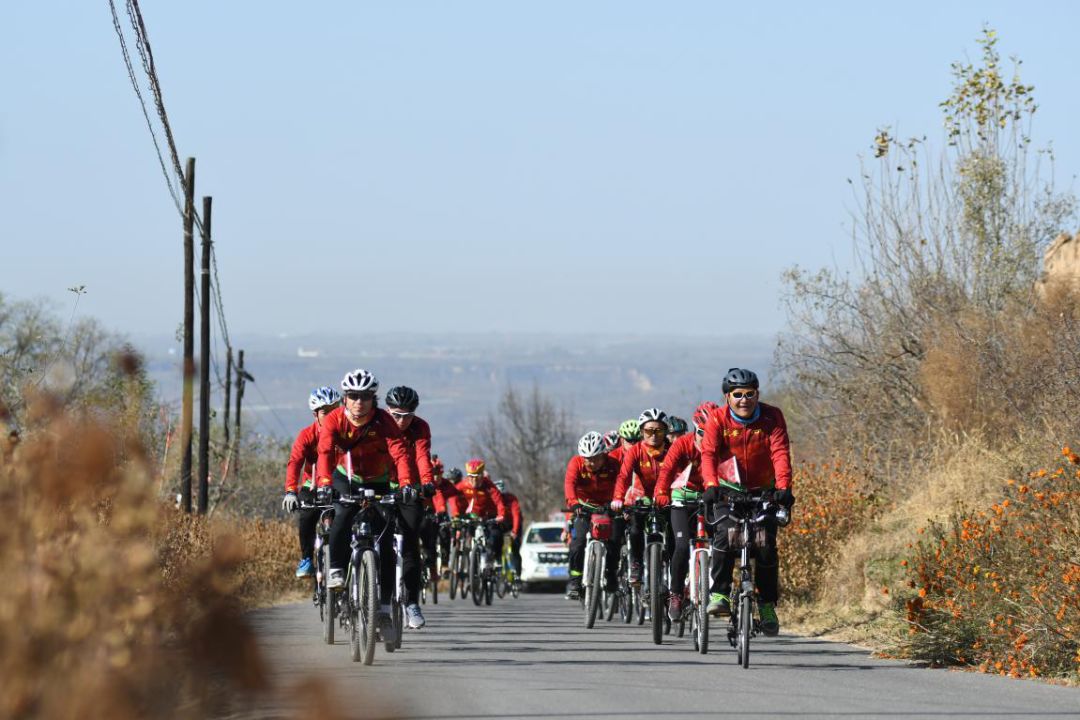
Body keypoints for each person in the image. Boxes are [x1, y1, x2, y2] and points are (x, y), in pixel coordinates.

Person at [317, 369, 415, 642]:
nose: (359, 402)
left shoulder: (384, 421)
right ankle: (337, 568)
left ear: (374, 399)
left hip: (380, 479)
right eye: (353, 396)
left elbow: (399, 450)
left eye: (366, 397)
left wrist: (406, 483)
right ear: (345, 399)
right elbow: (325, 452)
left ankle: (383, 608)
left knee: (384, 541)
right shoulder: (334, 419)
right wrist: (324, 483)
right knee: (343, 514)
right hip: (344, 478)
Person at [699, 368, 794, 636]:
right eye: (737, 394)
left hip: (763, 491)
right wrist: (710, 485)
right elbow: (708, 454)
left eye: (749, 394)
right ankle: (719, 595)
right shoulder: (717, 419)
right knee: (725, 538)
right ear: (727, 396)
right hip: (727, 490)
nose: (744, 400)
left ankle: (766, 604)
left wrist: (783, 487)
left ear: (757, 394)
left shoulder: (771, 416)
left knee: (765, 545)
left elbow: (780, 452)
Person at [654, 401, 719, 620]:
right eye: (702, 433)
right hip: (683, 499)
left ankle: (720, 592)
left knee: (722, 544)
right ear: (695, 429)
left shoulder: (723, 446)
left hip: (710, 499)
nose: (707, 438)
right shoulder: (682, 444)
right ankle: (675, 595)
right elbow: (666, 472)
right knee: (681, 545)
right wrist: (661, 492)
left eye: (712, 433)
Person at [384, 385, 439, 629]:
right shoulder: (378, 424)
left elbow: (421, 456)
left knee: (409, 544)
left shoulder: (421, 427)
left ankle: (412, 603)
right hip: (381, 484)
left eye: (407, 416)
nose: (401, 421)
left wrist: (427, 482)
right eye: (396, 415)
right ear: (387, 411)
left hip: (411, 488)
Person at [282, 386, 341, 578]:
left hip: (339, 484)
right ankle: (307, 558)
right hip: (312, 485)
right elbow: (295, 463)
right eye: (326, 412)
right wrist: (291, 491)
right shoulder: (307, 435)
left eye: (335, 409)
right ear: (315, 414)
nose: (331, 414)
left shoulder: (345, 433)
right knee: (307, 517)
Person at [611, 408, 670, 584]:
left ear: (665, 431)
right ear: (642, 432)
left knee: (674, 532)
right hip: (642, 497)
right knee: (635, 527)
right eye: (648, 430)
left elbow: (682, 474)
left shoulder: (672, 450)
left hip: (667, 497)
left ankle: (674, 566)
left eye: (658, 430)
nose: (653, 434)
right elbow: (624, 476)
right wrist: (618, 499)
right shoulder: (635, 451)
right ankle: (636, 563)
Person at [563, 431, 621, 599]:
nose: (590, 462)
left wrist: (620, 501)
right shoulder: (576, 463)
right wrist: (573, 503)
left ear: (604, 454)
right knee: (578, 542)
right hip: (583, 507)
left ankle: (610, 573)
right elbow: (569, 483)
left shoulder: (613, 464)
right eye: (587, 458)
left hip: (608, 507)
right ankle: (575, 579)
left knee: (615, 540)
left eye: (595, 458)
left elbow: (621, 483)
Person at [454, 458, 507, 564]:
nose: (473, 480)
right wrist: (456, 514)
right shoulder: (463, 485)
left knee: (494, 537)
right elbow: (452, 496)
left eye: (477, 477)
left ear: (482, 475)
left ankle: (493, 561)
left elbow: (499, 502)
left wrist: (501, 515)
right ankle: (466, 561)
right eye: (471, 477)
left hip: (489, 516)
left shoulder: (489, 486)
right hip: (473, 516)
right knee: (464, 531)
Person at [493, 478, 523, 580]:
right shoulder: (492, 499)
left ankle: (517, 575)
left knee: (515, 548)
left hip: (513, 524)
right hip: (500, 525)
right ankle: (498, 564)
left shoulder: (511, 499)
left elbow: (516, 515)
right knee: (496, 542)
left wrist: (514, 531)